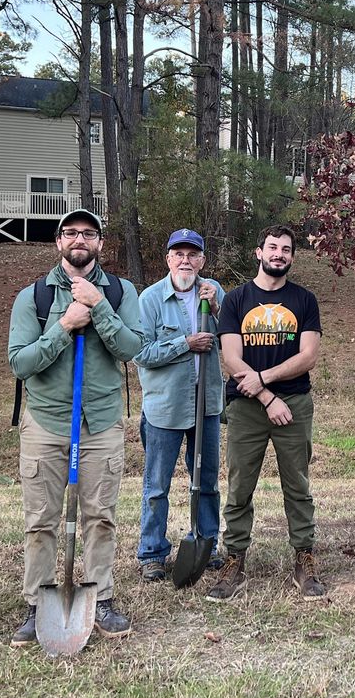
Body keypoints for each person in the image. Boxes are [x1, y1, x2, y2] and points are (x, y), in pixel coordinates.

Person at [7, 208, 142, 646]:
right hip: (46, 422)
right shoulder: (34, 297)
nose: (79, 239)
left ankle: (100, 599)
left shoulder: (121, 292)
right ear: (58, 242)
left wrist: (99, 308)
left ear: (100, 244)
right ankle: (39, 602)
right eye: (70, 232)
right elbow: (21, 362)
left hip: (100, 422)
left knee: (100, 517)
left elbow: (131, 349)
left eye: (88, 233)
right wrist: (65, 324)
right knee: (41, 521)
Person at [207, 224, 324, 603]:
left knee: (298, 484)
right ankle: (234, 560)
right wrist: (265, 397)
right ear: (258, 252)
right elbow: (230, 358)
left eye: (286, 249)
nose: (279, 254)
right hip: (245, 408)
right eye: (272, 247)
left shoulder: (305, 301)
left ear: (292, 256)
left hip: (295, 406)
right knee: (240, 486)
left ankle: (304, 558)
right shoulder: (237, 300)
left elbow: (308, 356)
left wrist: (265, 383)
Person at [133, 228, 226, 581]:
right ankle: (152, 553)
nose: (186, 260)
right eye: (179, 254)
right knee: (157, 484)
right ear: (168, 259)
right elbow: (140, 353)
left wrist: (216, 308)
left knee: (207, 480)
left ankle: (206, 543)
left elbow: (233, 339)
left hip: (207, 405)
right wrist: (186, 344)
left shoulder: (213, 291)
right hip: (165, 408)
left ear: (202, 259)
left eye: (193, 255)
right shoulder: (151, 299)